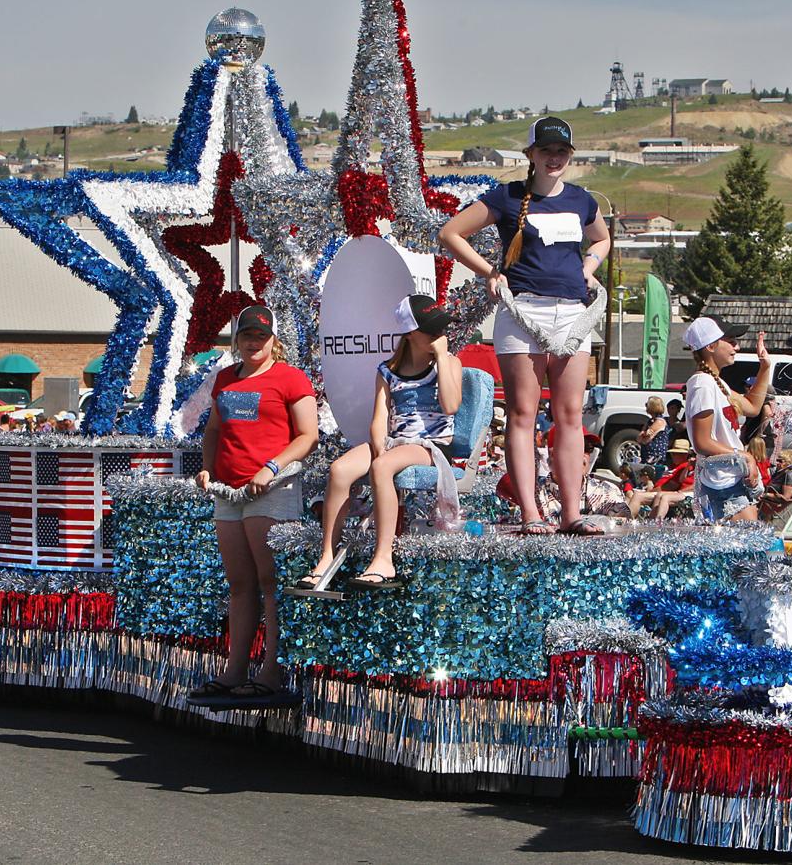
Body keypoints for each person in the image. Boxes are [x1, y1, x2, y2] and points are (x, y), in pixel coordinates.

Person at [438, 116, 611, 536]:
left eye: (562, 152)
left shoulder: (582, 199)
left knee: (570, 414)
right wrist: (488, 272)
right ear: (531, 155)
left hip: (572, 312)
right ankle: (530, 512)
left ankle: (572, 512)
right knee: (522, 413)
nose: (554, 158)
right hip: (522, 312)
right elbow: (451, 233)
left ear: (569, 156)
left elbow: (602, 239)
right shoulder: (507, 196)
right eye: (546, 151)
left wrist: (589, 267)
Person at [190, 305, 319, 702]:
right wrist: (207, 469)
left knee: (270, 582)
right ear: (236, 339)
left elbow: (308, 436)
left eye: (260, 336)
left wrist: (271, 467)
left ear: (273, 340)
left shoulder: (290, 378)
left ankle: (272, 670)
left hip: (272, 490)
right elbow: (213, 430)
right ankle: (233, 671)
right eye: (246, 335)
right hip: (228, 493)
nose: (253, 342)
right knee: (240, 584)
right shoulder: (225, 379)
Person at [295, 295, 462, 591]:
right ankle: (326, 556)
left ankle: (384, 558)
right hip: (396, 441)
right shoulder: (387, 370)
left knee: (384, 467)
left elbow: (450, 406)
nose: (440, 336)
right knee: (340, 469)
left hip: (430, 445)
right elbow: (379, 417)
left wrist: (442, 358)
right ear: (411, 334)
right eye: (433, 331)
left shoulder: (449, 364)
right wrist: (377, 445)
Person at [683, 315, 770, 522]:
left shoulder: (715, 382)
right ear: (711, 346)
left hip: (728, 478)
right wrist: (744, 456)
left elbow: (753, 407)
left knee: (751, 548)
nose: (736, 347)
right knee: (752, 548)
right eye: (730, 341)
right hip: (720, 483)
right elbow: (701, 442)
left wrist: (765, 367)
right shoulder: (702, 383)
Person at [739, 379, 778, 459]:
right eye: (746, 386)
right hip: (754, 441)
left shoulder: (763, 401)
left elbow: (767, 414)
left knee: (759, 467)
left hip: (760, 443)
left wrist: (759, 435)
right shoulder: (753, 401)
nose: (747, 388)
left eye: (750, 386)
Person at [759, 448, 792, 522]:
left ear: (788, 462)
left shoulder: (789, 474)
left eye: (780, 461)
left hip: (773, 504)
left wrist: (766, 494)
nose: (777, 463)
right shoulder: (778, 473)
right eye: (777, 460)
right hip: (766, 501)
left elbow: (786, 498)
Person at [636, 396, 670, 466]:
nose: (646, 406)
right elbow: (639, 439)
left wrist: (644, 435)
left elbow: (646, 439)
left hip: (655, 456)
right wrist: (644, 434)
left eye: (647, 404)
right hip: (646, 454)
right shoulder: (650, 421)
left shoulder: (659, 421)